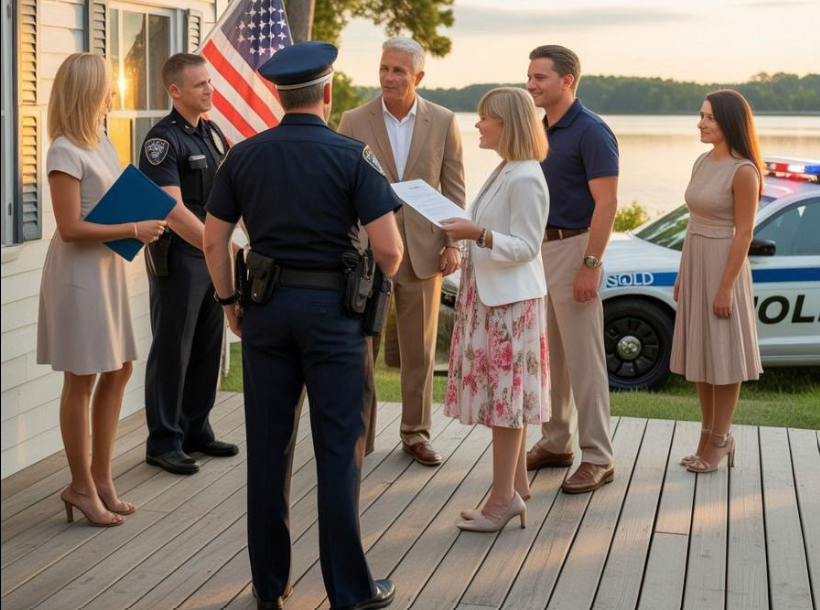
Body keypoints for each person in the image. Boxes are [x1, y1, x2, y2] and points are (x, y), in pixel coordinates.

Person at [203, 41, 403, 610]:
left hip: (264, 312)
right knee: (339, 451)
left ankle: (270, 589)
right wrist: (372, 287)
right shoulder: (352, 155)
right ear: (328, 91)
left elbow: (213, 239)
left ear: (276, 94)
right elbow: (390, 250)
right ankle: (349, 591)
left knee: (268, 452)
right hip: (336, 319)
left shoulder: (241, 156)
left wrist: (227, 302)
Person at [37, 53, 167, 526]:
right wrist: (135, 226)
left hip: (107, 270)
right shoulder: (63, 151)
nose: (114, 93)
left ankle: (102, 478)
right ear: (88, 90)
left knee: (120, 368)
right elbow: (69, 227)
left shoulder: (101, 141)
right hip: (78, 276)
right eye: (108, 86)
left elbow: (109, 202)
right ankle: (80, 486)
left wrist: (137, 222)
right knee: (82, 376)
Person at [338, 37, 466, 465]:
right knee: (361, 348)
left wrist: (452, 242)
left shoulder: (444, 121)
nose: (389, 77)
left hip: (424, 251)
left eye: (399, 71)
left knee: (420, 350)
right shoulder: (353, 120)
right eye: (384, 69)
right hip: (366, 254)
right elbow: (338, 188)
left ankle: (416, 433)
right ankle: (359, 435)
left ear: (419, 77)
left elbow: (454, 187)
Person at [440, 88, 550, 532]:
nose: (478, 124)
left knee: (506, 403)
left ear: (507, 123)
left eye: (486, 118)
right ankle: (517, 486)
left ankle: (502, 500)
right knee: (504, 399)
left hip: (510, 306)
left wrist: (477, 234)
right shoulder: (507, 170)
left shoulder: (526, 177)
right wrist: (462, 232)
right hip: (491, 299)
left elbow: (527, 247)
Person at [138, 53, 239, 475]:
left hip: (210, 255)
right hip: (179, 257)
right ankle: (163, 440)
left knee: (206, 345)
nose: (209, 90)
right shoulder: (162, 141)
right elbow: (172, 208)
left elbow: (232, 191)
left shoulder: (212, 133)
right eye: (200, 85)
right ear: (175, 90)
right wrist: (214, 246)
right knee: (173, 349)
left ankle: (196, 428)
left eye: (210, 82)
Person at [524, 45, 619, 493]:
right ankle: (557, 442)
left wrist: (590, 265)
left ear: (567, 81)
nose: (531, 85)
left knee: (585, 362)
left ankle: (598, 456)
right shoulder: (540, 129)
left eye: (540, 77)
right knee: (552, 360)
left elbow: (608, 204)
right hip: (541, 252)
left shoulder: (592, 131)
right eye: (529, 76)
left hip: (575, 247)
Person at [672, 90, 763, 473]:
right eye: (701, 115)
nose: (701, 123)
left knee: (723, 358)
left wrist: (725, 287)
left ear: (729, 122)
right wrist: (682, 273)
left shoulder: (744, 171)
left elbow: (744, 234)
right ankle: (707, 436)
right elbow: (693, 223)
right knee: (704, 357)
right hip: (696, 262)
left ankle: (721, 439)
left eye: (709, 117)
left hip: (725, 267)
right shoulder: (701, 161)